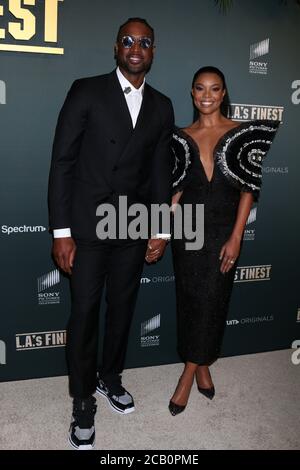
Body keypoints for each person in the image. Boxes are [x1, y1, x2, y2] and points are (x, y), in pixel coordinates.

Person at [48, 18, 174, 448]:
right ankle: (82, 400)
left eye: (144, 42)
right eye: (127, 41)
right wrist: (62, 232)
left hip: (132, 225)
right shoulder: (86, 90)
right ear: (116, 48)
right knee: (84, 313)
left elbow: (160, 173)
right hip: (86, 225)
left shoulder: (162, 105)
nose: (135, 48)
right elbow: (62, 162)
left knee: (122, 308)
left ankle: (110, 377)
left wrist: (160, 227)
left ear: (153, 51)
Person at [169, 66, 279, 415]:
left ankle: (187, 373)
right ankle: (200, 366)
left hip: (222, 231)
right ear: (191, 92)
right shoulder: (179, 136)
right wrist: (159, 230)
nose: (207, 95)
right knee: (189, 301)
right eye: (200, 88)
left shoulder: (242, 134)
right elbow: (175, 193)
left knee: (214, 301)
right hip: (186, 231)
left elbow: (248, 190)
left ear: (223, 92)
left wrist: (237, 237)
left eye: (214, 89)